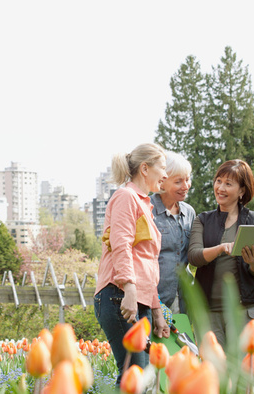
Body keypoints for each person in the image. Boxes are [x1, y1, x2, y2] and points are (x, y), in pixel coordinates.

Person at [94, 142, 170, 385]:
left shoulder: (144, 203)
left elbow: (146, 265)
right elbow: (121, 244)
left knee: (139, 378)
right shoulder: (126, 197)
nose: (166, 175)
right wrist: (128, 287)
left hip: (137, 299)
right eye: (163, 168)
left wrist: (156, 310)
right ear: (145, 169)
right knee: (132, 377)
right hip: (120, 297)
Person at [187, 159, 254, 348]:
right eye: (218, 181)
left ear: (241, 191)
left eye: (228, 184)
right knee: (214, 372)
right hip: (208, 311)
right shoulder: (203, 220)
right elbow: (194, 257)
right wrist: (221, 248)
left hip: (243, 310)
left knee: (244, 370)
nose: (220, 188)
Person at [151, 151, 196, 314]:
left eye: (187, 179)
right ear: (162, 182)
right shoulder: (147, 210)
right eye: (178, 181)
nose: (186, 186)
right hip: (156, 300)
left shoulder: (189, 212)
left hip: (184, 300)